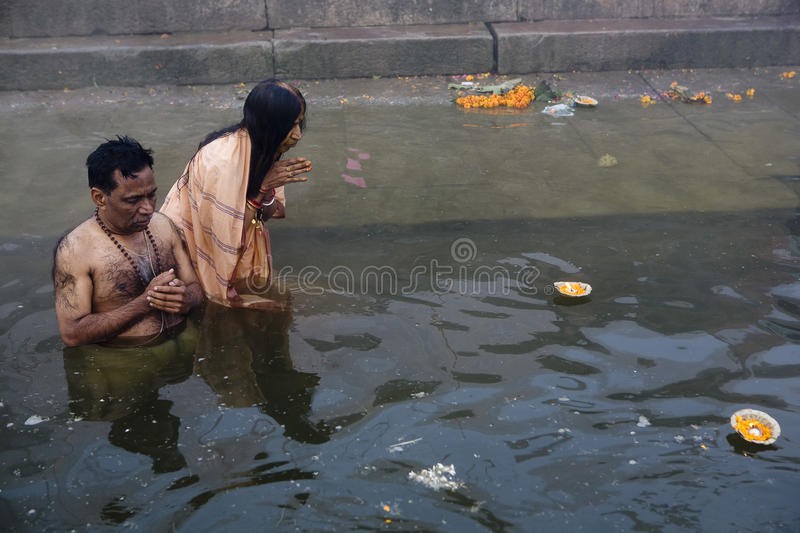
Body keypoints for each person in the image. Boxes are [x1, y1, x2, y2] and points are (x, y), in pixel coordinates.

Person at [160, 78, 312, 309]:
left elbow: (268, 213)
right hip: (188, 256)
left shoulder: (264, 149)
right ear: (268, 126)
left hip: (231, 246)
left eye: (299, 124)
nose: (297, 135)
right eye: (290, 126)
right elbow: (225, 243)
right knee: (237, 315)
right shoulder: (220, 161)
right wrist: (260, 190)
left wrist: (268, 189)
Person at [53, 136, 204, 347]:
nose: (148, 208)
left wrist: (187, 299)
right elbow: (72, 334)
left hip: (183, 351)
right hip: (124, 363)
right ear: (99, 198)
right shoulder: (75, 250)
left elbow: (195, 287)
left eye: (152, 195)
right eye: (133, 200)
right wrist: (144, 303)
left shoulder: (164, 226)